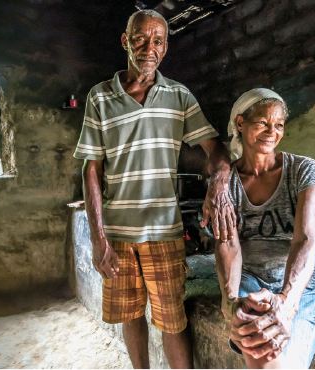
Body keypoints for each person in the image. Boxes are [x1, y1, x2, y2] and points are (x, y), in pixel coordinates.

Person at [73, 9, 236, 369]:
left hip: (165, 230)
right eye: (141, 39)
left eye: (158, 41)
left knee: (172, 320)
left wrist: (219, 183)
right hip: (117, 234)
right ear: (125, 41)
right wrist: (98, 238)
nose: (149, 48)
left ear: (165, 47)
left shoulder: (178, 96)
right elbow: (91, 170)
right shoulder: (100, 97)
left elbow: (216, 149)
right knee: (132, 316)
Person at [214, 88, 315, 369]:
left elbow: (305, 239)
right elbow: (228, 244)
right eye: (262, 123)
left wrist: (287, 302)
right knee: (260, 341)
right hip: (250, 282)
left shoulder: (304, 170)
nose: (271, 131)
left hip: (302, 288)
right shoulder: (225, 183)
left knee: (268, 346)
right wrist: (229, 301)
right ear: (240, 123)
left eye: (278, 125)